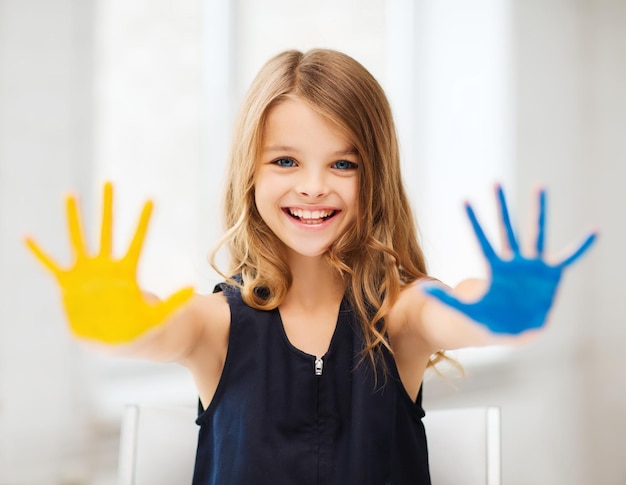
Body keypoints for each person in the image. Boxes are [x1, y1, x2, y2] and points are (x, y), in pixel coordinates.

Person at [25, 49, 596, 484]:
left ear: (375, 176)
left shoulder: (400, 315)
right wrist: (119, 320)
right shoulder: (217, 325)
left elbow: (456, 311)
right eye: (285, 160)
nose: (314, 186)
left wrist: (499, 311)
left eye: (343, 163)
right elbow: (161, 327)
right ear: (250, 174)